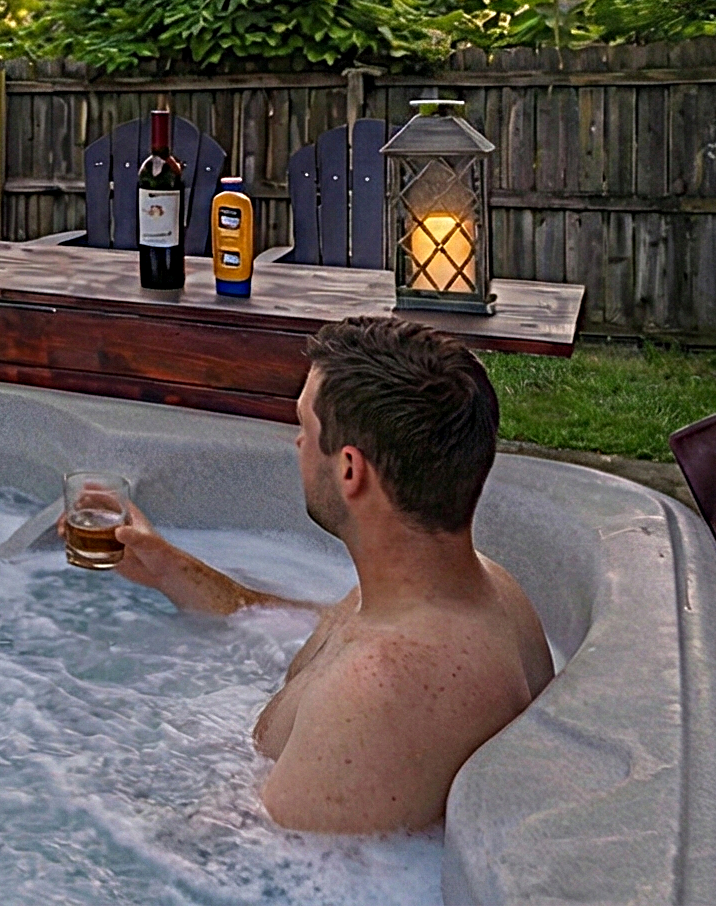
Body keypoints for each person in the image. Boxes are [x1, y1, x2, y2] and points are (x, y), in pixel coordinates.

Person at [107, 316, 554, 834]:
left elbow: (251, 866)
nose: (296, 443)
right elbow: (315, 631)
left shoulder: (383, 691)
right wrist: (170, 569)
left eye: (305, 426)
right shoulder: (461, 591)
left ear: (349, 470)